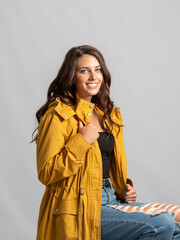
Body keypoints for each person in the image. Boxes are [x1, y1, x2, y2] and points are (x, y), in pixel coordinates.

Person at [32, 45, 180, 240]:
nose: (93, 76)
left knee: (177, 224)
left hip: (112, 198)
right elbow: (46, 172)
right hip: (80, 206)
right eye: (84, 71)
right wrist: (81, 141)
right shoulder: (58, 115)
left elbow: (99, 164)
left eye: (98, 69)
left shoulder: (104, 113)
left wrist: (125, 190)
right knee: (162, 224)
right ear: (71, 77)